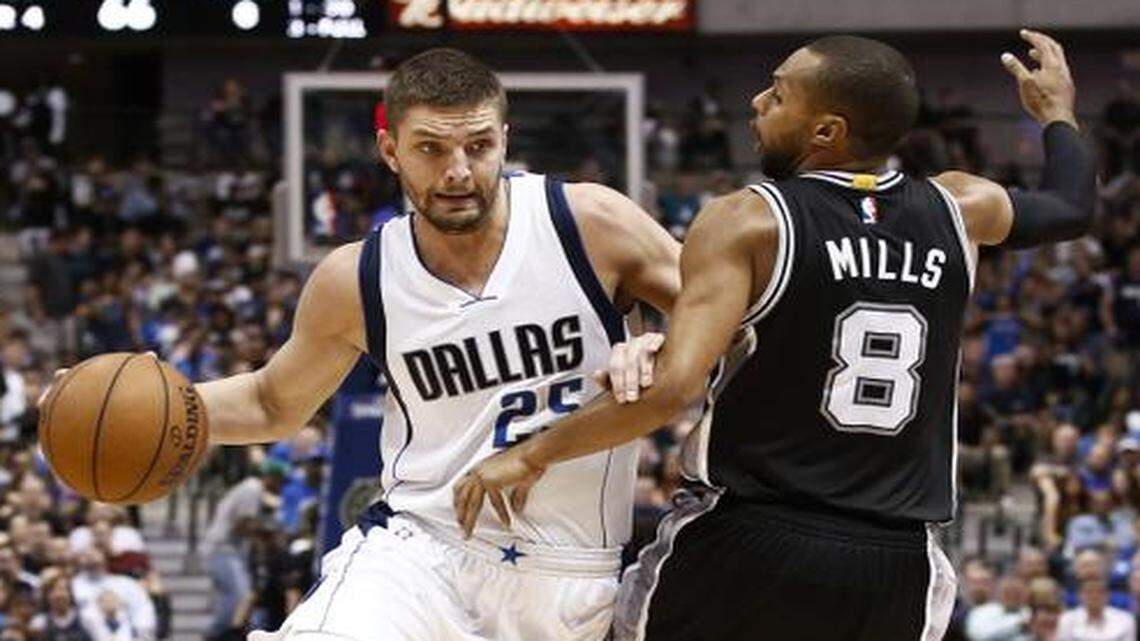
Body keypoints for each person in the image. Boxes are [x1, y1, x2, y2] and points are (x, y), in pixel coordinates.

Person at [456, 30, 1096, 640]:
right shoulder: (962, 206)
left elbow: (672, 391)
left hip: (748, 540)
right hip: (896, 560)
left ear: (826, 132)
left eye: (779, 93)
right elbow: (1071, 207)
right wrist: (1057, 114)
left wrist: (533, 452)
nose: (757, 102)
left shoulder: (747, 219)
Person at [190, 48, 676, 641]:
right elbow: (272, 403)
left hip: (570, 578)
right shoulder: (357, 277)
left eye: (478, 146)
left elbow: (740, 319)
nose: (458, 171)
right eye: (431, 148)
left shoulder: (590, 223)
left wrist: (668, 346)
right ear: (389, 149)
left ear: (504, 138)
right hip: (417, 555)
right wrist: (162, 402)